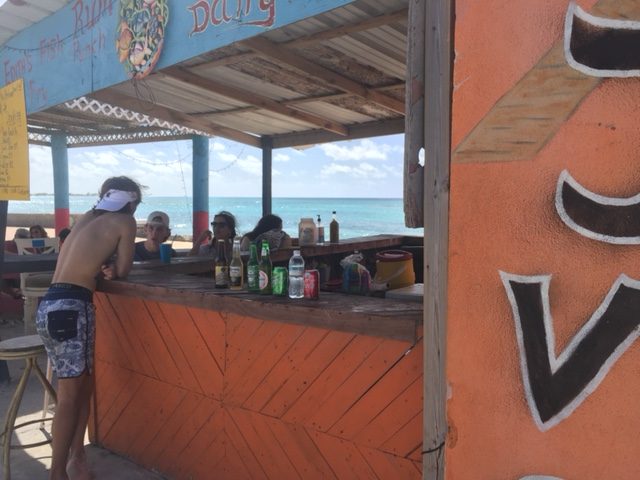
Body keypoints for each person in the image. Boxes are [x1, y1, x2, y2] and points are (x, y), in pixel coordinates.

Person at [35, 176, 141, 480]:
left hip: (51, 305)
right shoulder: (125, 221)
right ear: (132, 202)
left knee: (81, 387)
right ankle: (57, 473)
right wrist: (110, 268)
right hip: (72, 308)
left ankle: (77, 459)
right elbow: (122, 270)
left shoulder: (85, 219)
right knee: (70, 395)